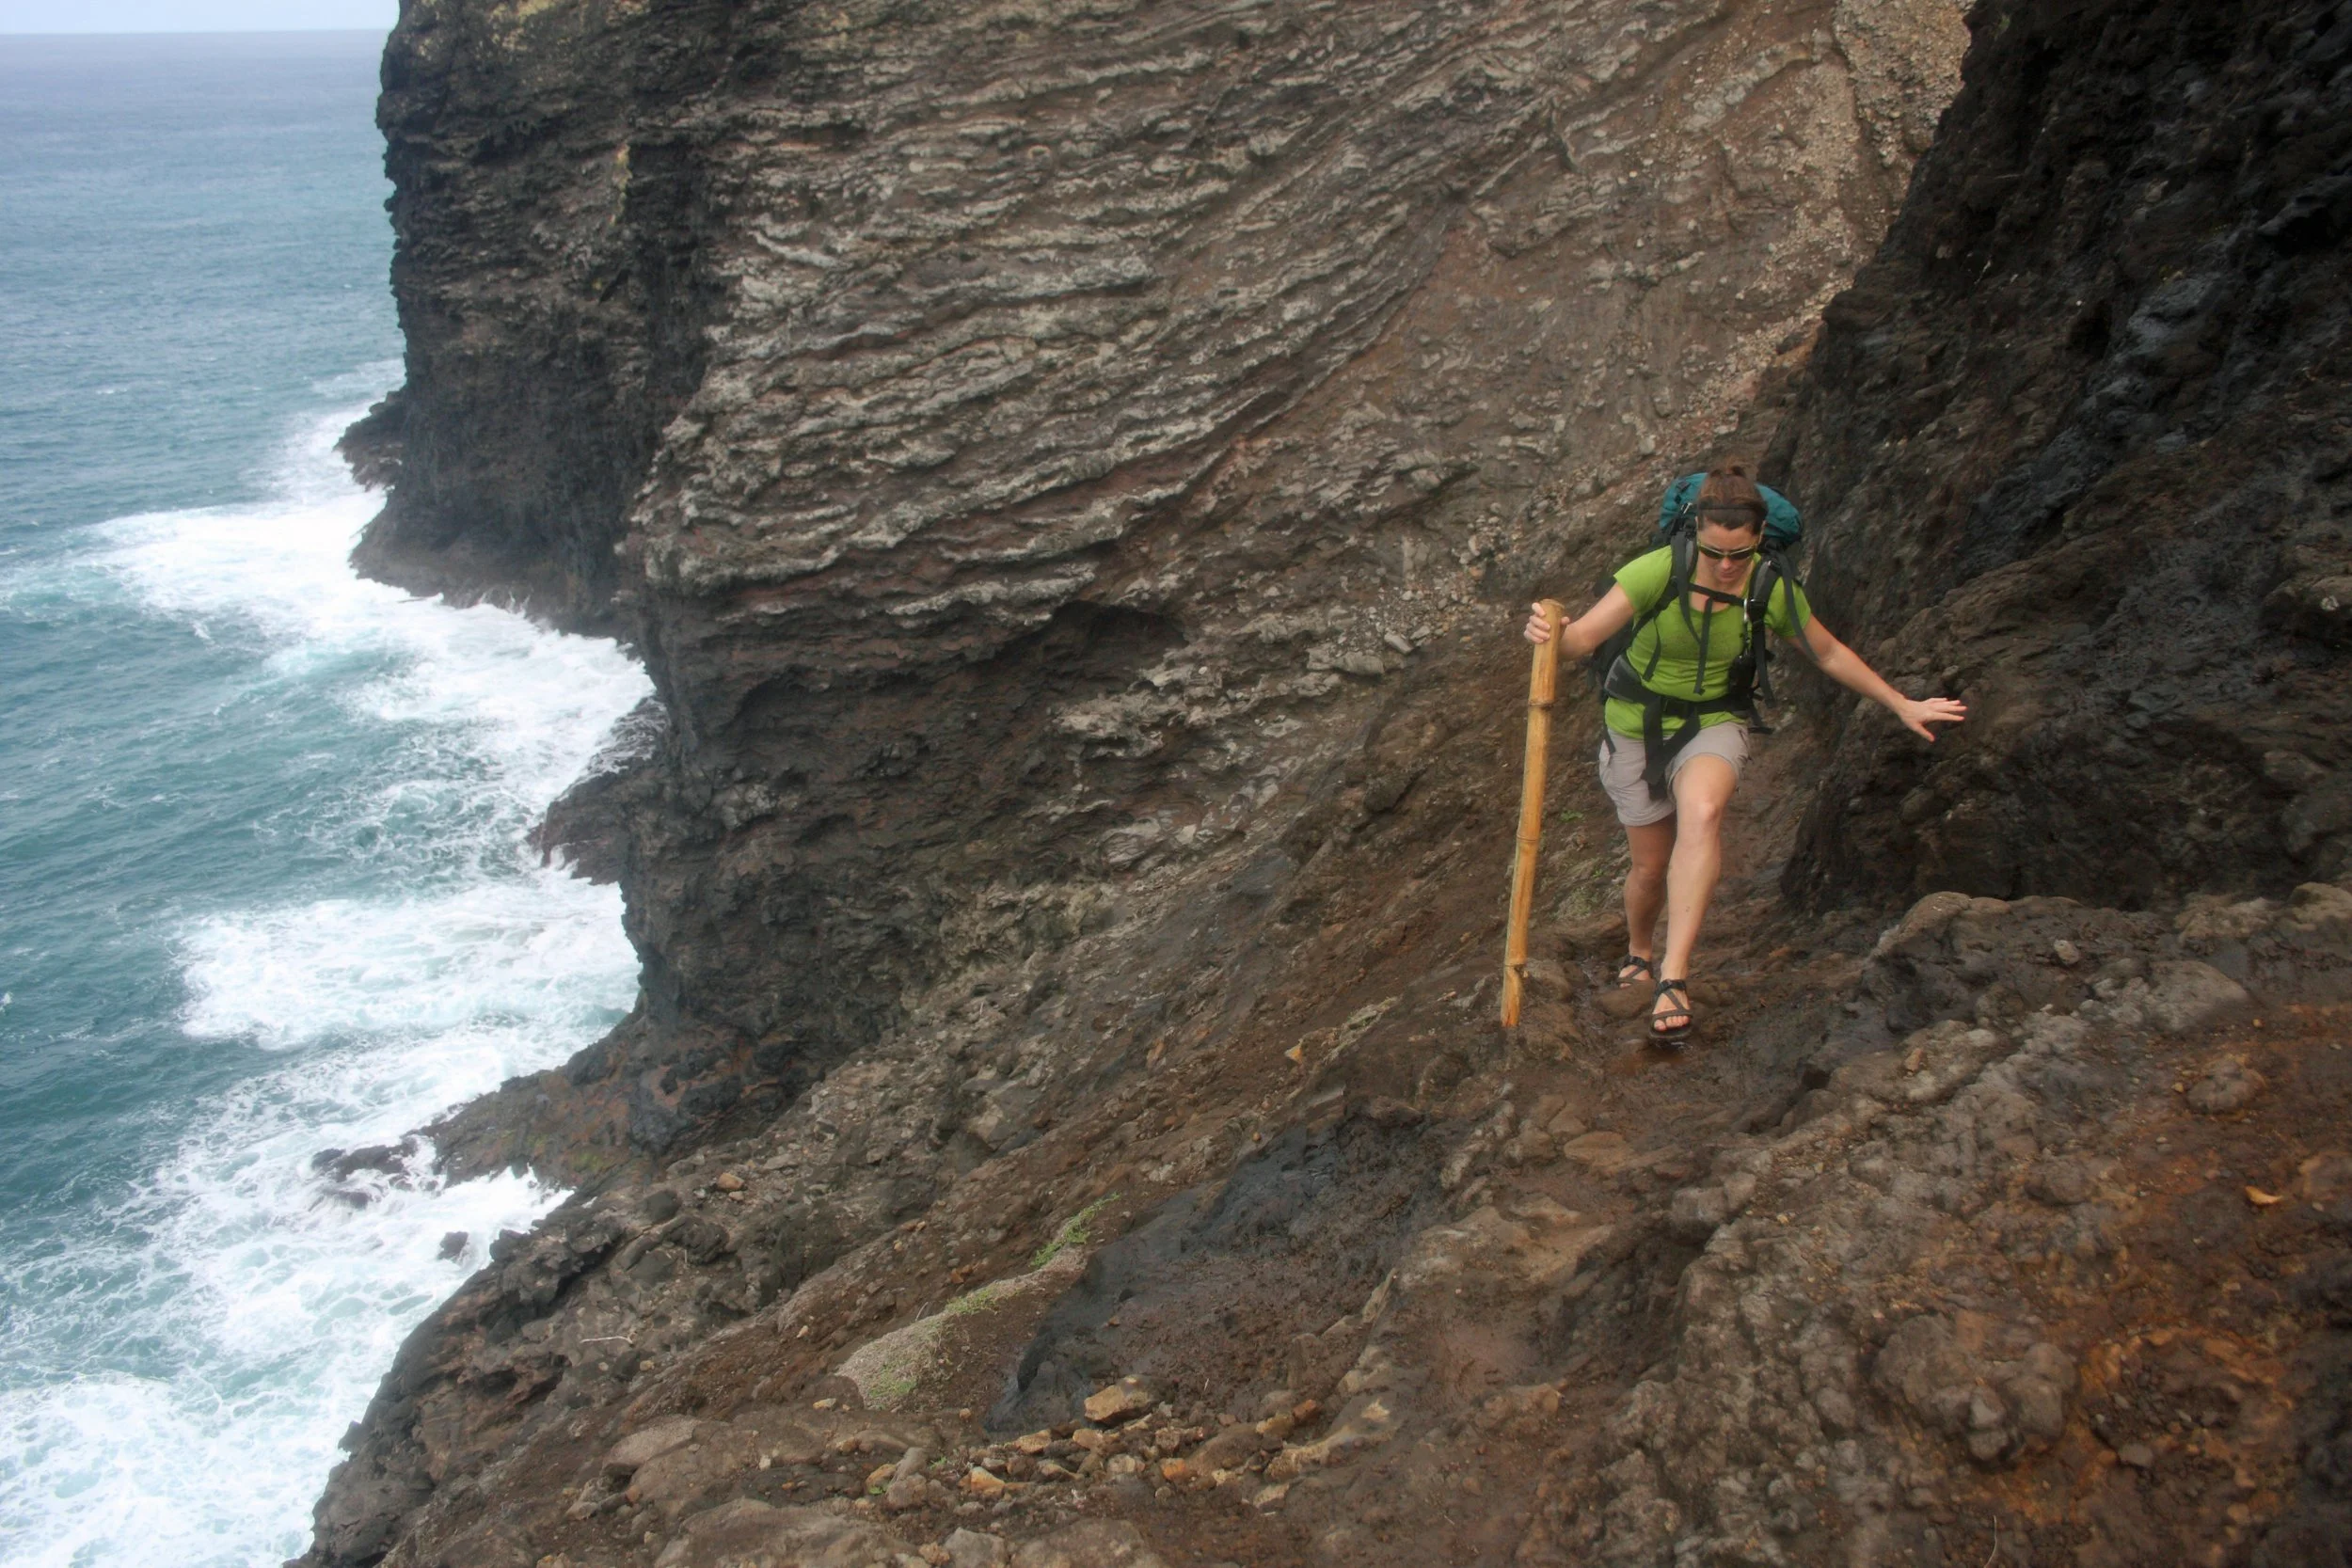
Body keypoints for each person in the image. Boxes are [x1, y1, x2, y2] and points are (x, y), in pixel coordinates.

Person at [1522, 464, 1966, 1045]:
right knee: (1650, 866)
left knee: (1702, 816)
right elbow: (1585, 639)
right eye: (1714, 553)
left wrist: (1899, 702)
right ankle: (1638, 948)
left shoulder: (1768, 585)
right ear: (1695, 536)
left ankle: (1672, 978)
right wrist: (1553, 632)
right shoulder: (1660, 568)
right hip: (1634, 720)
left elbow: (1827, 653)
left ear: (1757, 540)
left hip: (1715, 719)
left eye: (1740, 554)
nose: (1727, 566)